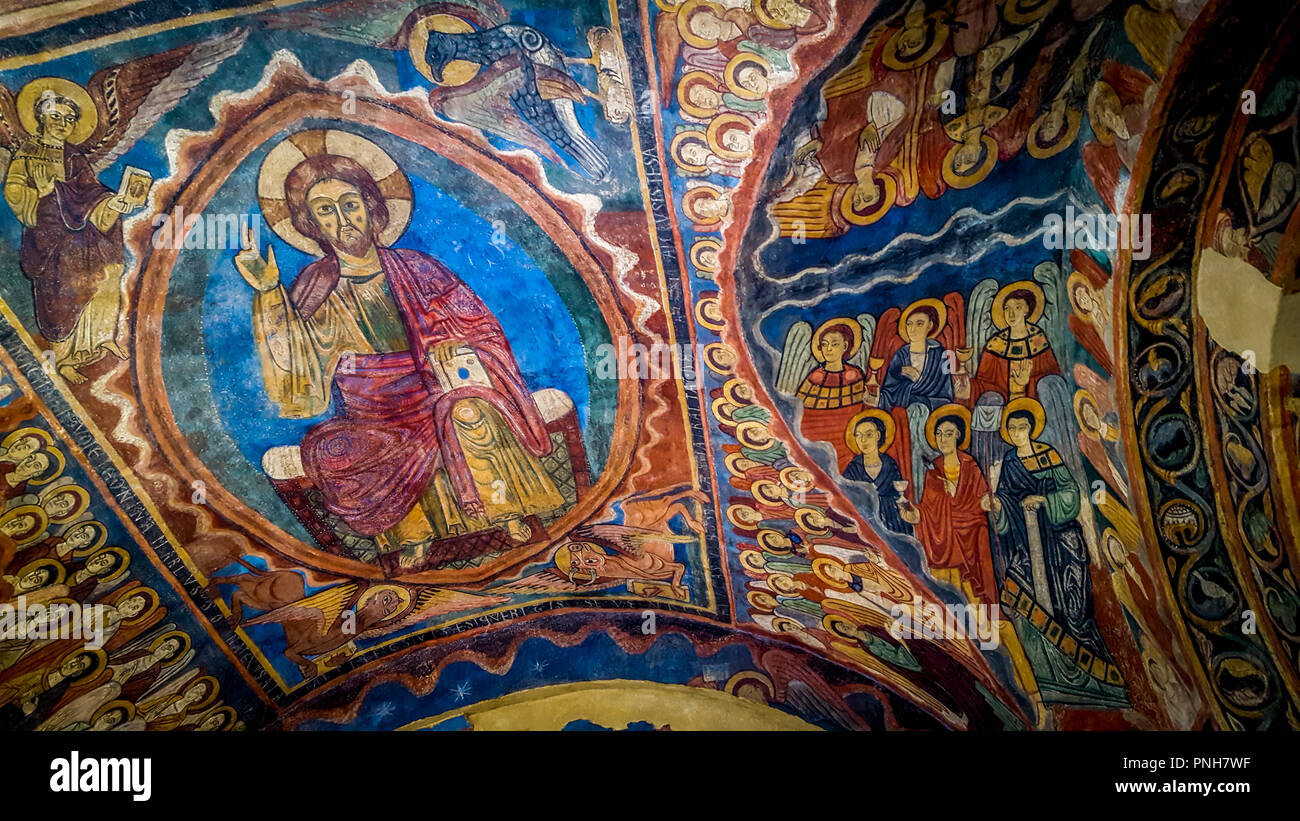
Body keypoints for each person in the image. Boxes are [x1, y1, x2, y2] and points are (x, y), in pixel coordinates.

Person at [235, 133, 565, 567]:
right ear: (311, 225)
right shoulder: (314, 287)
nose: (342, 220)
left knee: (467, 411)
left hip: (436, 388)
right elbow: (296, 370)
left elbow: (482, 330)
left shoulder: (420, 268)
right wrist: (268, 293)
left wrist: (457, 351)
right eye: (326, 211)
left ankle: (508, 514)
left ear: (373, 211)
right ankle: (411, 539)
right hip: (371, 411)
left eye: (350, 205)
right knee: (344, 450)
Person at [2, 84, 140, 382]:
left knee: (111, 270)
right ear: (41, 118)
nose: (62, 124)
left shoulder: (73, 157)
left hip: (81, 231)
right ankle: (63, 358)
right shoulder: (27, 151)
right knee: (64, 288)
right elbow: (14, 191)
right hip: (48, 236)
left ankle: (102, 337)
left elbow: (89, 192)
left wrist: (113, 202)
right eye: (56, 116)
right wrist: (41, 195)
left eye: (68, 119)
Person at [988, 399, 1115, 672]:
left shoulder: (1049, 455)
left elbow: (1069, 492)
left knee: (1074, 603)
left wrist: (1045, 501)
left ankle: (1088, 662)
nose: (1017, 432)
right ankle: (1048, 663)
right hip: (1030, 540)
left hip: (1059, 537)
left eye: (1022, 427)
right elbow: (1006, 498)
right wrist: (998, 506)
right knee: (1020, 587)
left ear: (1031, 428)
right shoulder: (1010, 461)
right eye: (1012, 428)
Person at [899, 405, 997, 603]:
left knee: (973, 602)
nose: (943, 439)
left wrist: (955, 494)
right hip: (942, 540)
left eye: (948, 434)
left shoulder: (970, 466)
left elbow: (980, 508)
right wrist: (913, 515)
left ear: (958, 436)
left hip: (970, 538)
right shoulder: (933, 470)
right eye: (939, 434)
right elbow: (928, 510)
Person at [971, 282, 1060, 401]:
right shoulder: (996, 344)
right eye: (1007, 308)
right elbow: (983, 385)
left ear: (1027, 310)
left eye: (1017, 307)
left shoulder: (1037, 340)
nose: (1011, 314)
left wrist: (1027, 382)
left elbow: (1052, 380)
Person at [841, 410, 911, 535]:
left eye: (868, 435)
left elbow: (899, 495)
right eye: (858, 435)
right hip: (864, 520)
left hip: (891, 520)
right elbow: (844, 495)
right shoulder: (853, 468)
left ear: (878, 436)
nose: (863, 440)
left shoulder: (890, 464)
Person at [879, 301, 954, 411]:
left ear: (930, 326)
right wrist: (901, 375)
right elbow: (888, 392)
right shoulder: (901, 355)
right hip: (903, 413)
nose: (913, 329)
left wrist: (918, 388)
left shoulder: (940, 355)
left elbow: (945, 396)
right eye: (909, 324)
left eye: (919, 324)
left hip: (931, 411)